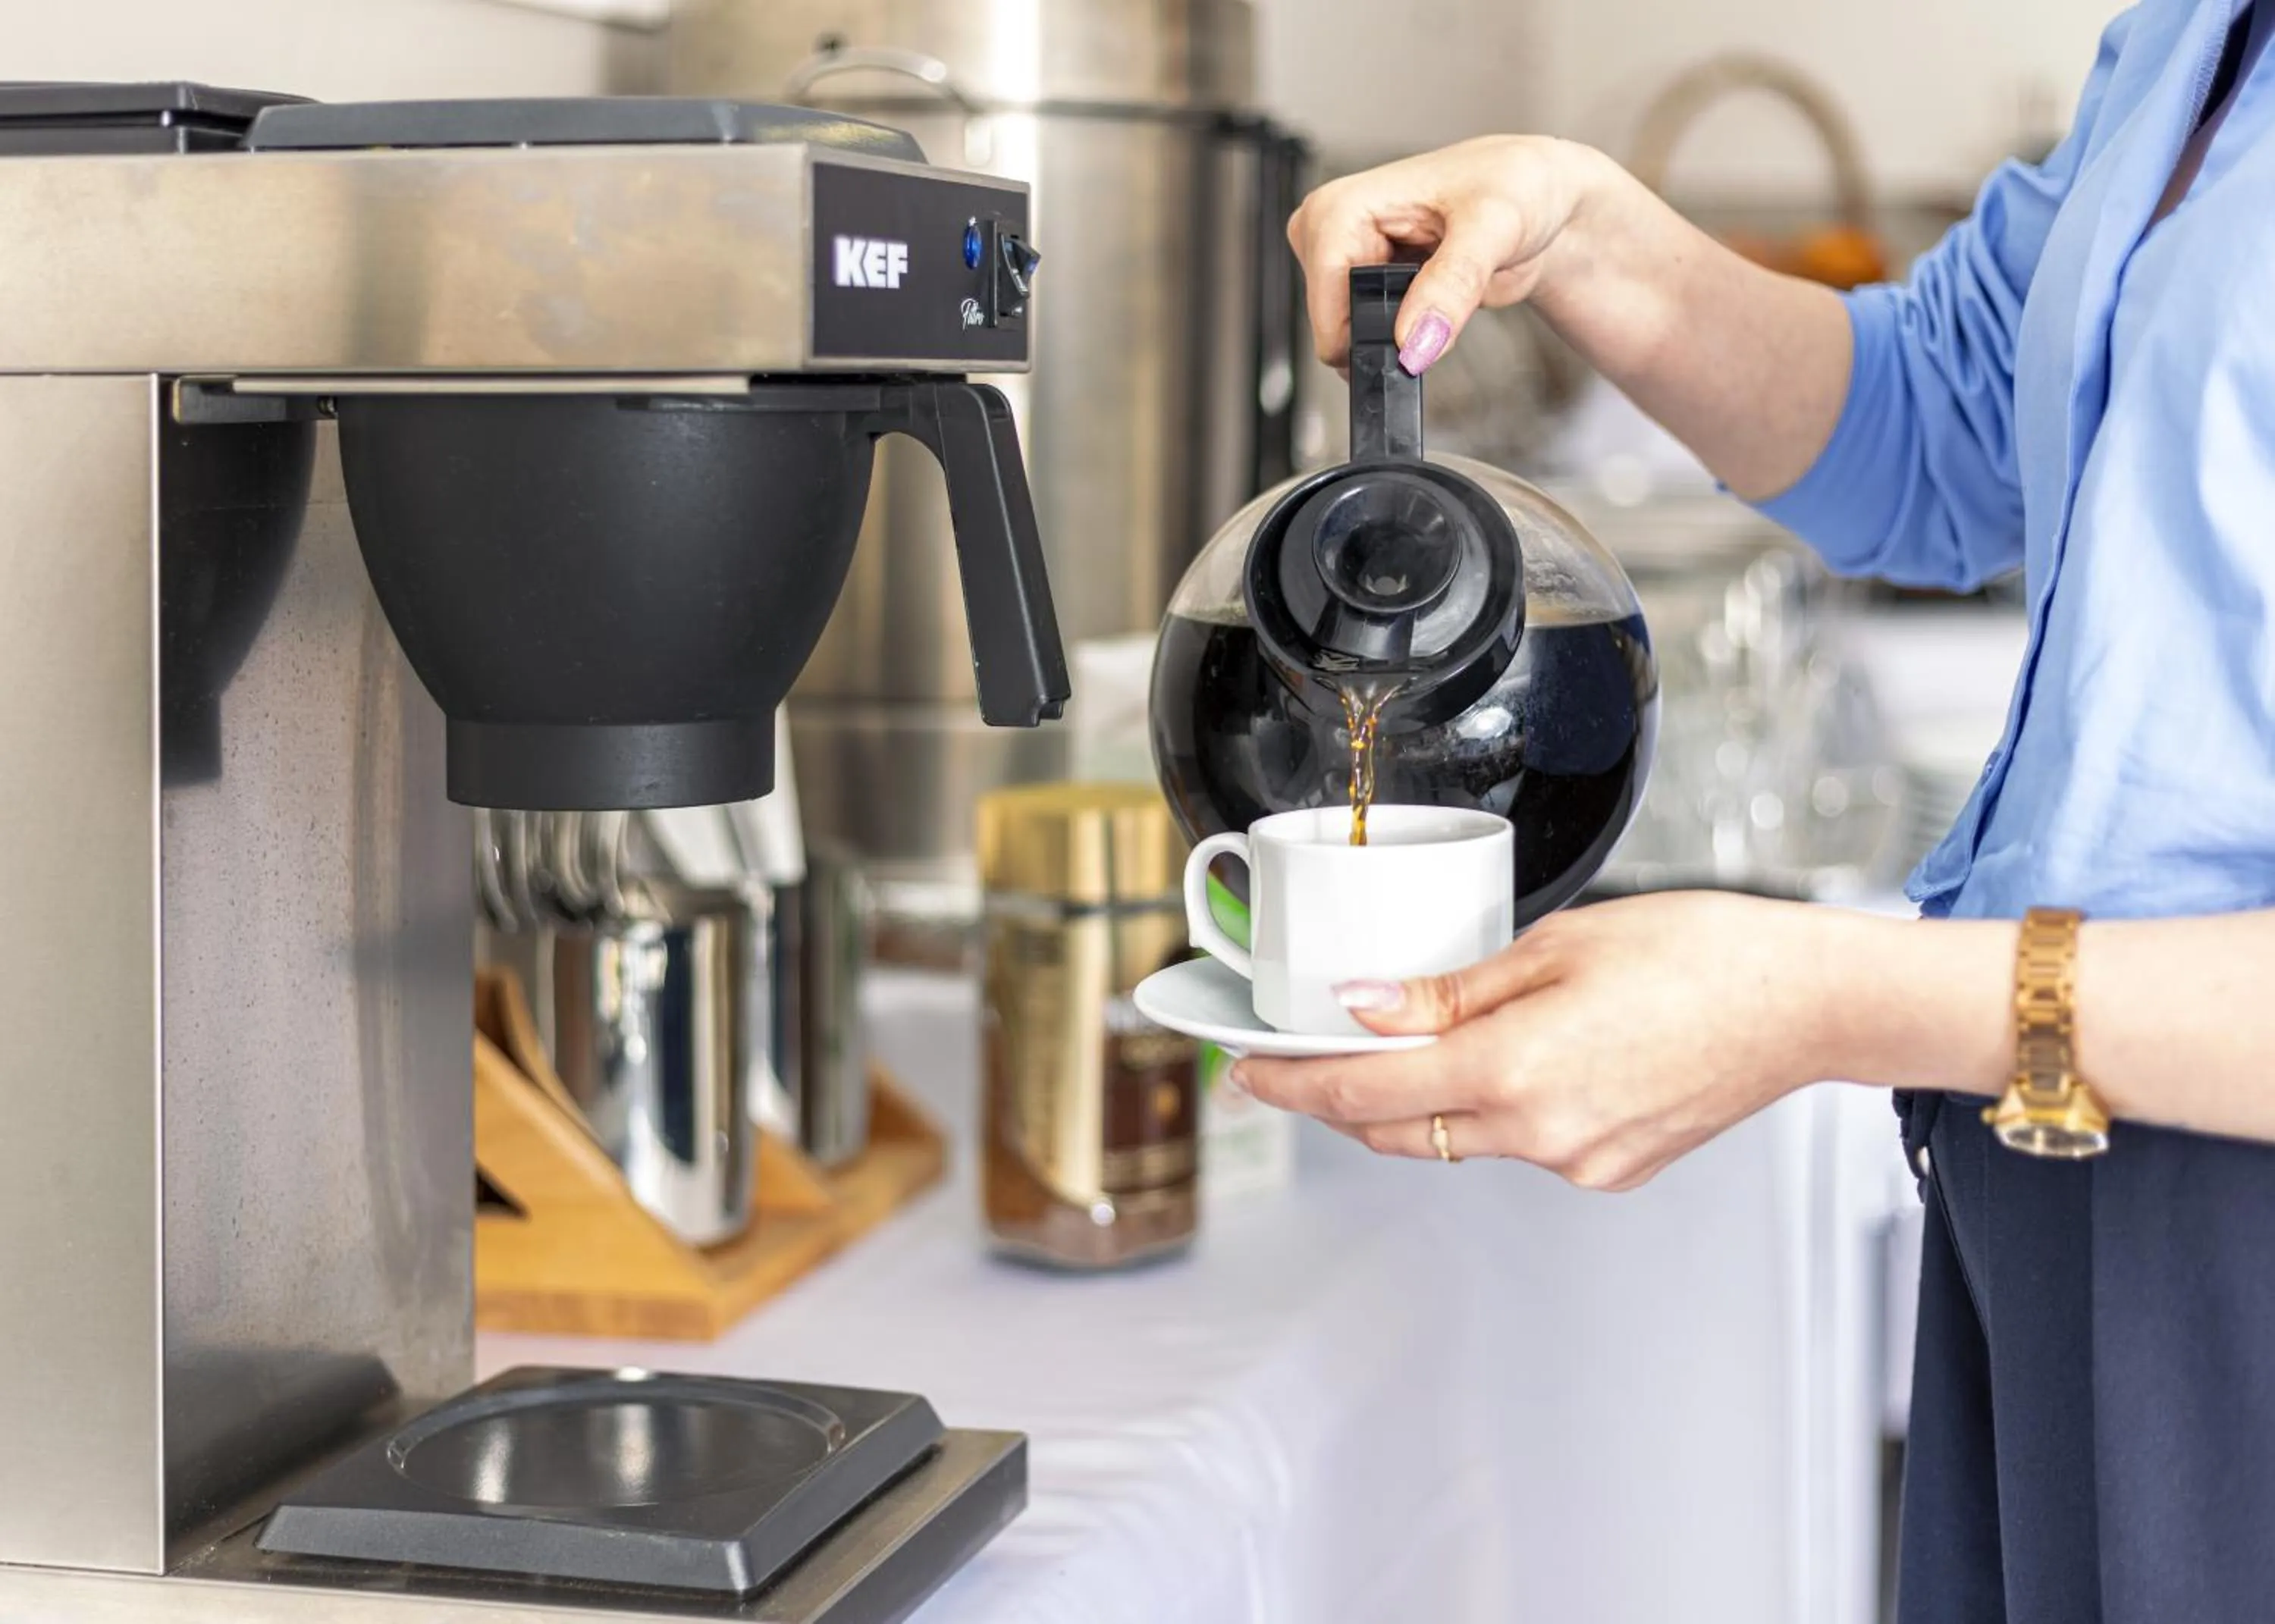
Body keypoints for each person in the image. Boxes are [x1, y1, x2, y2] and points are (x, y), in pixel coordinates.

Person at [1230, 1, 2275, 1618]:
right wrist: (1587, 230)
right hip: (2042, 1164)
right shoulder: (2196, 38)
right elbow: (1934, 426)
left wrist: (1831, 1000)